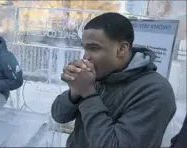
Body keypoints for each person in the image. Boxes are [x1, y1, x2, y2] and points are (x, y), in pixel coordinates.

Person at [51, 13, 176, 148]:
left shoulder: (155, 91)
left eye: (94, 48)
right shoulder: (100, 74)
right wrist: (75, 91)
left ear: (122, 49)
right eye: (85, 48)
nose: (86, 57)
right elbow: (59, 116)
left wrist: (88, 94)